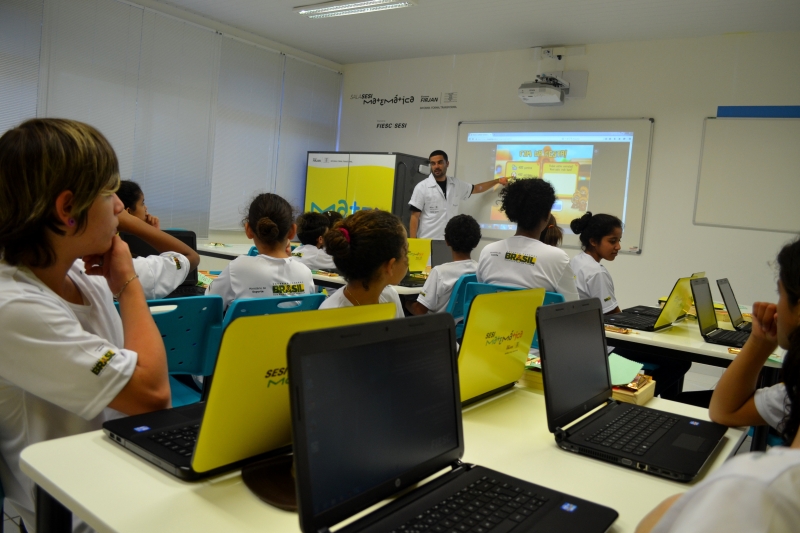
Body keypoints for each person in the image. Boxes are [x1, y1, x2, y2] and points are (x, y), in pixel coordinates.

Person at [0, 118, 169, 530]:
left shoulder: (80, 276)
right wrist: (128, 286)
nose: (119, 208)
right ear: (67, 210)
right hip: (66, 516)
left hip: (119, 477)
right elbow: (151, 393)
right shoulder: (13, 306)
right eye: (109, 193)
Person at [636, 238, 800, 533]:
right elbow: (726, 412)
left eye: (781, 295)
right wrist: (759, 342)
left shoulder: (760, 487)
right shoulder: (791, 395)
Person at [207, 193, 315, 309]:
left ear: (248, 230)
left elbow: (207, 305)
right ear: (293, 231)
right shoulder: (305, 273)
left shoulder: (237, 269)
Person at [476, 178, 578, 300]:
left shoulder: (488, 251)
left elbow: (481, 296)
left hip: (491, 319)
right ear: (547, 215)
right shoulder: (558, 259)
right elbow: (572, 306)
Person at [116, 180, 201, 299]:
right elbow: (190, 257)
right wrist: (150, 231)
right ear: (127, 212)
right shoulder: (134, 269)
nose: (146, 208)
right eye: (142, 203)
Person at [320, 209, 408, 318]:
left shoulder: (390, 296)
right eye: (406, 252)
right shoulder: (331, 314)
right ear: (390, 266)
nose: (407, 259)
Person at [409, 150, 508, 239]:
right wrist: (413, 243)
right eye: (433, 163)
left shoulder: (456, 184)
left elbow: (477, 188)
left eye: (440, 162)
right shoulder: (422, 187)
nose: (436, 166)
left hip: (449, 242)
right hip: (427, 240)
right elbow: (415, 217)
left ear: (447, 164)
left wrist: (498, 180)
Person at [406, 214, 480, 315]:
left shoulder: (439, 272)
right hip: (463, 327)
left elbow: (419, 311)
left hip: (439, 327)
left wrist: (406, 302)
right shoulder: (479, 270)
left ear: (447, 241)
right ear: (476, 243)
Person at [568, 212, 622, 314]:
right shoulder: (597, 272)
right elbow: (611, 313)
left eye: (619, 240)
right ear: (593, 241)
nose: (618, 247)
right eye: (612, 241)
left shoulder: (577, 260)